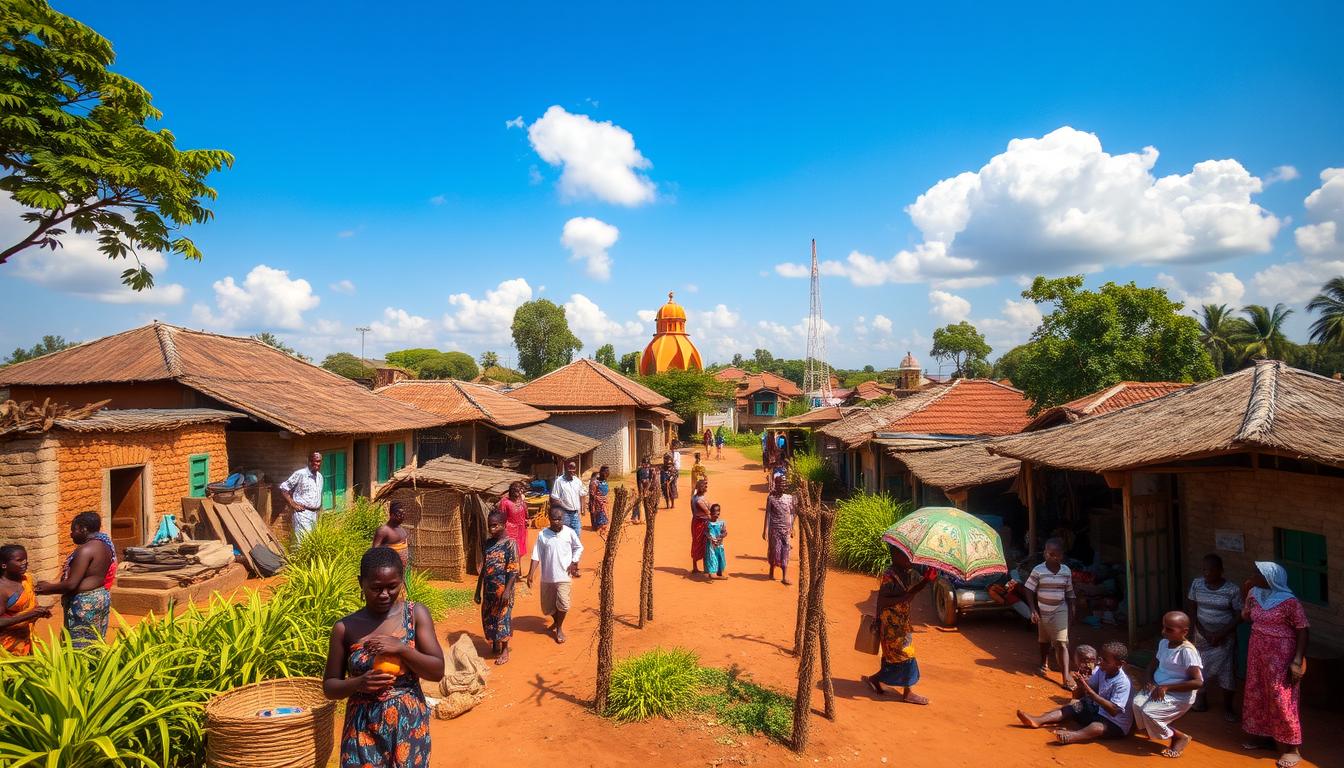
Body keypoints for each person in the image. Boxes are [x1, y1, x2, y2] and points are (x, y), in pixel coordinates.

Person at [323, 547, 444, 768]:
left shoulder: (415, 615)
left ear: (401, 581)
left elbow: (437, 671)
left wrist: (402, 649)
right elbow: (330, 687)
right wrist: (358, 683)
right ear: (361, 583)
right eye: (376, 588)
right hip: (362, 727)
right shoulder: (345, 628)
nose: (385, 594)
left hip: (408, 724)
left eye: (392, 586)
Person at [1240, 561, 1309, 767]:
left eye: (1257, 573)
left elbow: (1303, 630)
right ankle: (1265, 736)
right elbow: (1246, 616)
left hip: (1281, 654)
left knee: (1281, 695)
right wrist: (1246, 594)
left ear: (1270, 578)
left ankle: (1292, 748)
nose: (1253, 575)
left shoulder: (1289, 602)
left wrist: (1296, 661)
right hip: (1257, 651)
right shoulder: (1254, 593)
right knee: (1257, 691)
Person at [862, 544, 938, 704]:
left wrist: (926, 580)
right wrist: (905, 597)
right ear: (895, 556)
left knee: (894, 657)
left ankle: (875, 679)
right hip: (890, 625)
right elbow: (883, 600)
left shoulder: (907, 573)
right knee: (906, 655)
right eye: (904, 556)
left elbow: (910, 594)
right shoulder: (889, 575)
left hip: (902, 622)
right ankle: (908, 693)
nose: (909, 559)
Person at [1017, 643, 1132, 744]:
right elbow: (1081, 694)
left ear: (1119, 664)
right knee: (1072, 707)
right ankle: (1038, 720)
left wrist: (1088, 689)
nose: (1100, 663)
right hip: (1098, 712)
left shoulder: (1123, 683)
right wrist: (1080, 684)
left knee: (1096, 727)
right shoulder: (1102, 671)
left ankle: (1073, 736)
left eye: (1106, 661)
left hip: (1115, 724)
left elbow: (1113, 710)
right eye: (1101, 659)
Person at [36, 511, 115, 649]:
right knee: (94, 641)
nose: (71, 534)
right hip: (99, 597)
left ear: (83, 529)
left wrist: (47, 588)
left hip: (85, 604)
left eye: (74, 530)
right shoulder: (104, 544)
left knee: (79, 645)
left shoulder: (85, 550)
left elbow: (71, 584)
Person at [1132, 610, 1203, 758]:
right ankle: (1154, 730)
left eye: (1169, 630)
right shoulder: (1164, 643)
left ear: (1184, 632)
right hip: (1158, 687)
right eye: (1163, 627)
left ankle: (1178, 737)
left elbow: (1198, 682)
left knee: (1149, 713)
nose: (1164, 632)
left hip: (1178, 695)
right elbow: (1153, 664)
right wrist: (1149, 680)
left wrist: (1167, 687)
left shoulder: (1187, 652)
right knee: (1137, 704)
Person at [1185, 553, 1242, 720]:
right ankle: (1200, 700)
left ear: (1221, 571)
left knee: (1227, 671)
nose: (1207, 573)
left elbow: (1239, 615)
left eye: (1211, 570)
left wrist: (1220, 633)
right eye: (1204, 570)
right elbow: (1192, 609)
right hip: (1202, 636)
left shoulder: (1232, 589)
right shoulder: (1197, 584)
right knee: (1199, 667)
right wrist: (1203, 632)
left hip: (1225, 638)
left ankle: (1228, 708)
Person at [1024, 538, 1076, 689]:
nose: (1052, 556)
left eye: (1056, 554)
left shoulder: (1066, 571)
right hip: (1043, 609)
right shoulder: (1038, 570)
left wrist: (1073, 608)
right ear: (1045, 553)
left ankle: (1065, 677)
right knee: (1044, 639)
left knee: (1061, 642)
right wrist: (1033, 609)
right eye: (1049, 553)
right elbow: (1028, 589)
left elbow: (1070, 592)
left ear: (1061, 555)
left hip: (1060, 609)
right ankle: (1043, 662)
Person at [527, 507, 583, 644]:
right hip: (547, 577)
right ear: (549, 519)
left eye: (560, 519)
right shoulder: (543, 535)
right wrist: (530, 573)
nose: (557, 522)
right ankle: (556, 620)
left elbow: (579, 547)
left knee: (563, 603)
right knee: (547, 607)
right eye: (554, 519)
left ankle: (559, 628)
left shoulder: (569, 532)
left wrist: (574, 562)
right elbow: (536, 554)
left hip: (564, 575)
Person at [474, 511, 518, 665]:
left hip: (503, 590)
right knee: (489, 618)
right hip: (488, 590)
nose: (491, 529)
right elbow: (484, 569)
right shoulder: (488, 544)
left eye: (495, 525)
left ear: (503, 524)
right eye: (490, 525)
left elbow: (513, 570)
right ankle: (495, 643)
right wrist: (478, 590)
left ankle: (505, 650)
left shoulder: (510, 544)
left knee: (503, 619)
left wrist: (507, 591)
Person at [0, 544, 51, 656]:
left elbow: (28, 605)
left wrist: (39, 613)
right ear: (4, 565)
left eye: (25, 559)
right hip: (8, 644)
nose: (24, 563)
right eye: (19, 560)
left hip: (26, 637)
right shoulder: (2, 589)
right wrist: (28, 615)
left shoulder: (26, 578)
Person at [279, 451, 324, 544]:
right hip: (303, 513)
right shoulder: (300, 474)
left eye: (318, 461)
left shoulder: (320, 477)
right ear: (309, 461)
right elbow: (284, 488)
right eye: (314, 461)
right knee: (302, 542)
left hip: (315, 514)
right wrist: (292, 503)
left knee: (312, 542)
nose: (316, 463)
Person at [763, 474, 796, 585]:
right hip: (774, 529)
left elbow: (792, 514)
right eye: (780, 483)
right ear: (776, 484)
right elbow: (767, 514)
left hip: (786, 530)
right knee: (774, 551)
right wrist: (765, 530)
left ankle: (784, 576)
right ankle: (771, 570)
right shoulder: (771, 498)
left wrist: (792, 527)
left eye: (784, 483)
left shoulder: (789, 498)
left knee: (785, 551)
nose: (782, 485)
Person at [549, 460, 587, 547]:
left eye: (573, 468)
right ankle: (565, 555)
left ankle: (573, 556)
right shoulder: (559, 481)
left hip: (575, 514)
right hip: (565, 513)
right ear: (565, 469)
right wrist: (564, 507)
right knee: (564, 536)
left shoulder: (577, 481)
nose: (571, 470)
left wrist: (583, 508)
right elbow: (554, 498)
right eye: (569, 468)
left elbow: (582, 494)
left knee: (576, 535)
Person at [371, 501, 410, 566]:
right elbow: (374, 552)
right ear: (392, 515)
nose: (402, 517)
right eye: (399, 514)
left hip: (403, 571)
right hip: (390, 570)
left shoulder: (401, 529)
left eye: (403, 514)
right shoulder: (383, 530)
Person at [497, 481, 530, 556]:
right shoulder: (505, 502)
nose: (520, 491)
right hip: (510, 530)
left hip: (521, 530)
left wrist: (526, 521)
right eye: (517, 489)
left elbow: (526, 515)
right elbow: (501, 517)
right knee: (510, 552)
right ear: (512, 491)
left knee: (519, 553)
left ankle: (518, 567)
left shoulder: (522, 502)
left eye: (521, 489)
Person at [689, 477, 711, 575]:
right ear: (700, 488)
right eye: (704, 486)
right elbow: (707, 512)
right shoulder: (699, 500)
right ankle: (704, 567)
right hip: (700, 524)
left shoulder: (694, 498)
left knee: (696, 543)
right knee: (702, 543)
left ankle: (695, 567)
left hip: (696, 522)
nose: (706, 487)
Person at [704, 504, 728, 580]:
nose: (716, 516)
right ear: (711, 513)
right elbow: (705, 532)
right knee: (712, 558)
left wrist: (720, 536)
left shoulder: (721, 522)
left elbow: (725, 532)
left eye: (718, 514)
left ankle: (719, 572)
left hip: (719, 544)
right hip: (711, 545)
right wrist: (710, 538)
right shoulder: (708, 523)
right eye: (714, 514)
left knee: (720, 557)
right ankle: (713, 574)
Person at [587, 466, 611, 539]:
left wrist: (606, 500)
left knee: (606, 522)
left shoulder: (604, 482)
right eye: (605, 473)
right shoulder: (594, 482)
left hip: (605, 504)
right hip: (598, 505)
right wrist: (594, 506)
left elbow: (606, 493)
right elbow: (592, 495)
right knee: (600, 525)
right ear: (601, 473)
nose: (607, 475)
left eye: (608, 473)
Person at [632, 456, 655, 525]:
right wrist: (641, 491)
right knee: (639, 503)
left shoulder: (650, 471)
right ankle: (636, 518)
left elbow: (651, 480)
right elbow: (640, 482)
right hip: (642, 490)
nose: (646, 465)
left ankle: (646, 518)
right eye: (644, 463)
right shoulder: (640, 471)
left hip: (648, 490)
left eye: (647, 463)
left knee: (647, 504)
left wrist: (648, 489)